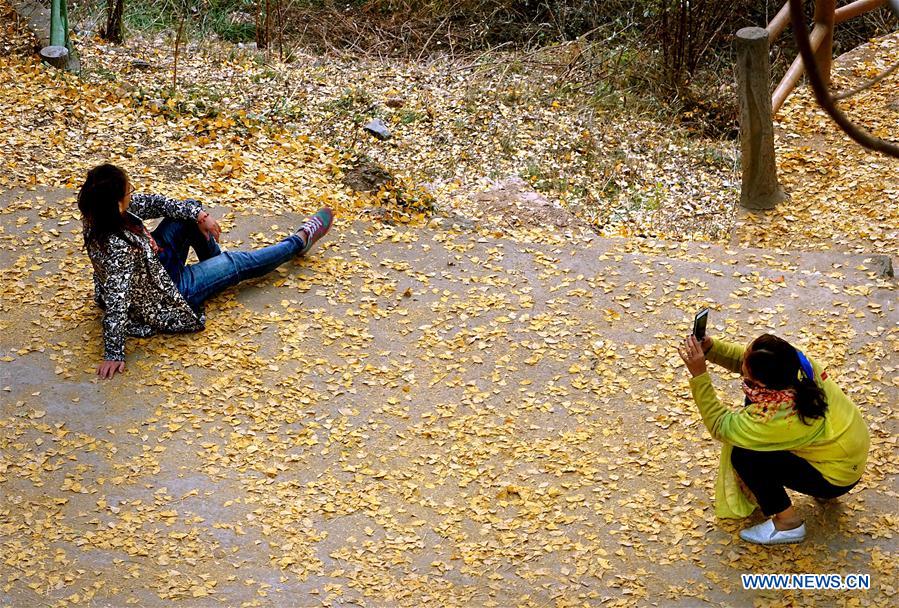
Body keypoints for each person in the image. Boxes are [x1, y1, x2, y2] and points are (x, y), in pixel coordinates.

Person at [78, 163, 333, 379]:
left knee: (188, 210)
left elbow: (156, 203)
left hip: (156, 264)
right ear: (116, 204)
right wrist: (113, 352)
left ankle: (217, 265)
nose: (132, 194)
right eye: (128, 192)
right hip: (170, 291)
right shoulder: (115, 248)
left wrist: (200, 216)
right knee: (238, 263)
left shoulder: (100, 212)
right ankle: (300, 240)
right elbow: (117, 300)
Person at [678, 332, 869, 545]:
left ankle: (788, 524)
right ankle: (813, 492)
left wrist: (699, 375)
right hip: (848, 453)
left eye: (748, 370)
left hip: (836, 478)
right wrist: (712, 348)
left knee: (744, 455)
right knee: (751, 406)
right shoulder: (796, 364)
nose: (744, 359)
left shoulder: (780, 416)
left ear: (761, 380)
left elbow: (721, 426)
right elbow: (749, 362)